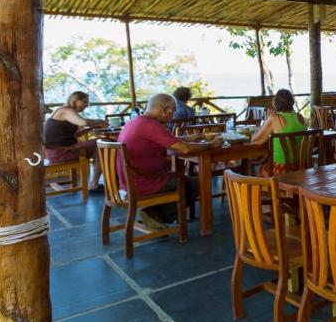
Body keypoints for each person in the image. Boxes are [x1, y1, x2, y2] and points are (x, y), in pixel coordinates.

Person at [117, 93, 221, 227]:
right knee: (197, 183)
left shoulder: (136, 122)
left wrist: (190, 138)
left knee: (183, 180)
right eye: (173, 112)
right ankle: (156, 214)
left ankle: (153, 213)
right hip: (145, 182)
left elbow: (168, 141)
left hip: (128, 181)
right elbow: (185, 149)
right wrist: (212, 144)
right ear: (164, 110)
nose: (173, 117)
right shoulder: (151, 126)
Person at [43, 91, 108, 191]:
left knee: (99, 147)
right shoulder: (66, 111)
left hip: (57, 151)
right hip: (61, 153)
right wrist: (99, 121)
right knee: (102, 142)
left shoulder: (62, 110)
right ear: (75, 100)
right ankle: (96, 184)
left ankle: (96, 183)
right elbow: (83, 122)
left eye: (88, 103)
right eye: (84, 102)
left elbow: (74, 135)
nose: (86, 105)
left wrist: (91, 128)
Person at [250, 89, 308, 175]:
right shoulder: (300, 117)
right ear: (292, 102)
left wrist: (266, 120)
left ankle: (272, 188)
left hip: (282, 170)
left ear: (275, 103)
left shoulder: (274, 118)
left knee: (261, 168)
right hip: (301, 168)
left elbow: (255, 140)